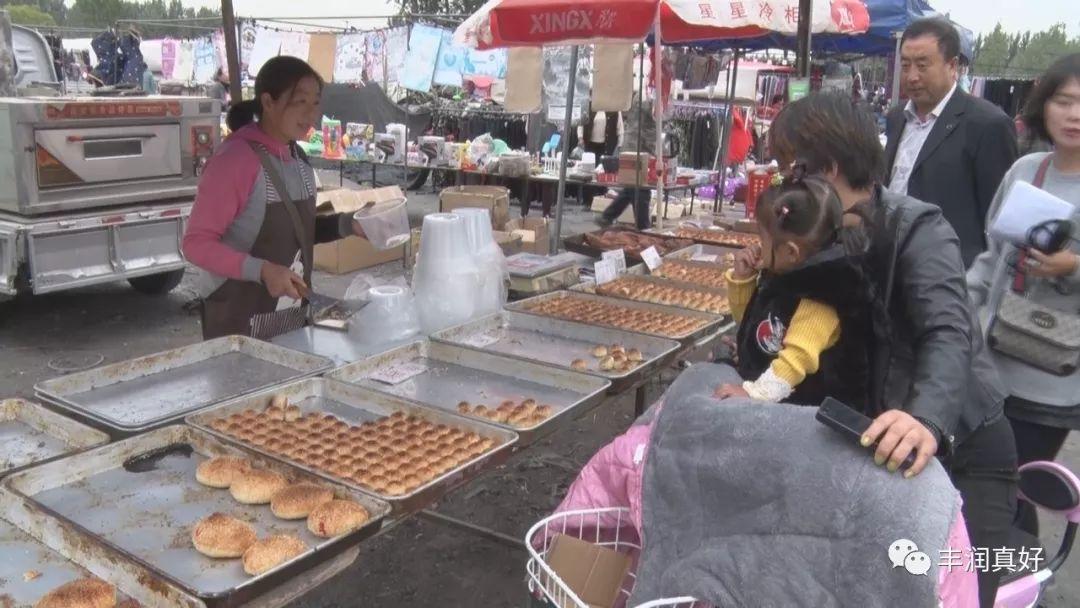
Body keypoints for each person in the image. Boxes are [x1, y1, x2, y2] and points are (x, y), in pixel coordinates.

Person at [771, 92, 1017, 608]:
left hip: (964, 444)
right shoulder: (818, 232)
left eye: (787, 169)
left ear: (828, 167)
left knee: (958, 590)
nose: (780, 186)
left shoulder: (919, 227)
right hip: (884, 446)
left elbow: (948, 330)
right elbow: (798, 333)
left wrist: (926, 416)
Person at [967, 53, 1080, 538]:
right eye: (1064, 101)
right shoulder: (1026, 170)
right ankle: (1004, 579)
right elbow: (992, 256)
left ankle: (1016, 580)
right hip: (993, 366)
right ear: (1044, 106)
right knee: (990, 487)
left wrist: (1072, 266)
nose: (1074, 115)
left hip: (1054, 375)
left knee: (1015, 486)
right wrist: (965, 318)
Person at [182, 56, 367, 340]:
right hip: (237, 326)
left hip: (292, 321)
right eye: (300, 102)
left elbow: (297, 231)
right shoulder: (236, 160)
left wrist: (347, 224)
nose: (311, 114)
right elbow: (195, 245)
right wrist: (263, 270)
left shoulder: (298, 158)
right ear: (268, 102)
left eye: (316, 102)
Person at [715, 172, 875, 409]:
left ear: (791, 252)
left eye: (762, 237)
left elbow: (795, 361)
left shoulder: (822, 295)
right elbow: (752, 326)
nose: (757, 245)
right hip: (769, 398)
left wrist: (752, 394)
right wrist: (743, 280)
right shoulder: (783, 275)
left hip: (803, 415)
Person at [884, 18, 1018, 267]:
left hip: (948, 272)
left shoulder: (988, 124)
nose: (912, 76)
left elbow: (997, 216)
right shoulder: (896, 117)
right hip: (891, 262)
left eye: (922, 66)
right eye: (905, 66)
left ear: (952, 65)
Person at [597, 93, 656, 230]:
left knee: (631, 188)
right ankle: (643, 227)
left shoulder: (640, 97)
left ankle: (608, 216)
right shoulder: (647, 98)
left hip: (634, 147)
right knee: (641, 188)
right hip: (638, 149)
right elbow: (655, 118)